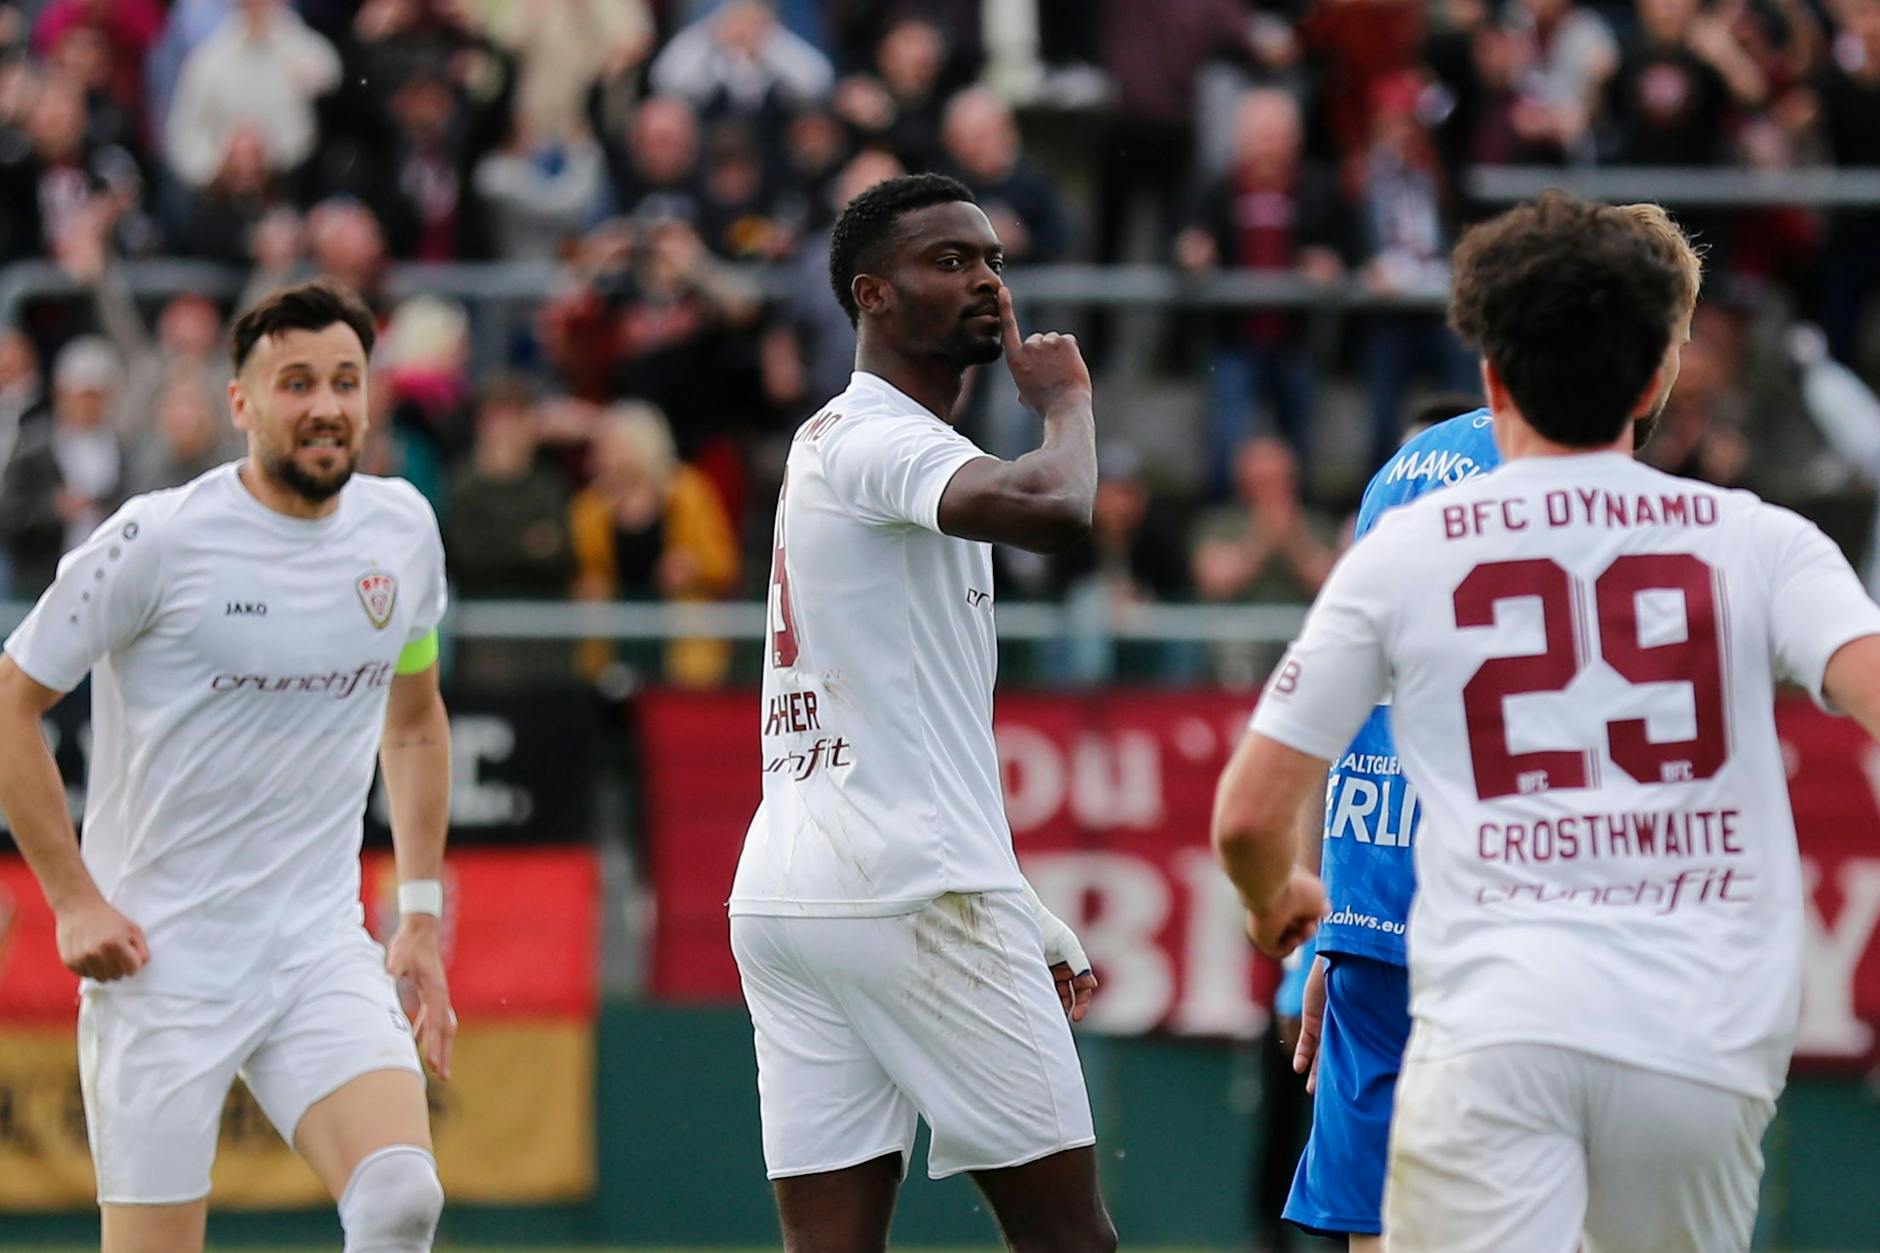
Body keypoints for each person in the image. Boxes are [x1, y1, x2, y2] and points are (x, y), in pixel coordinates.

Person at [1211, 190, 1880, 1252]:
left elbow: (1247, 812)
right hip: (1692, 1037)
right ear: (1658, 376)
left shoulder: (1408, 542)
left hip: (1490, 1027)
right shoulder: (1759, 541)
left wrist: (1278, 903)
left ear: (1489, 377)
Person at [1274, 201, 1701, 1253]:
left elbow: (1323, 704)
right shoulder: (1599, 493)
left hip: (1376, 895)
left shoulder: (1402, 469)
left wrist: (1331, 922)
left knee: (1382, 1227)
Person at [0, 280, 455, 1253]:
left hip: (316, 949)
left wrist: (417, 909)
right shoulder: (155, 539)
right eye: (295, 383)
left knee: (399, 1200)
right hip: (160, 963)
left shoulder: (403, 529)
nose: (326, 404)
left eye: (345, 380)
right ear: (240, 404)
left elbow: (412, 721)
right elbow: (9, 701)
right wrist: (73, 899)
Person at [728, 172, 1116, 1251]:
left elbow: (907, 720)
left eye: (992, 259)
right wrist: (1069, 402)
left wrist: (1015, 897)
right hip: (905, 882)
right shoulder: (875, 438)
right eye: (949, 262)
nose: (987, 282)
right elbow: (1057, 505)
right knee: (1071, 1242)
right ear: (872, 297)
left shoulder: (842, 445)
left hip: (791, 892)